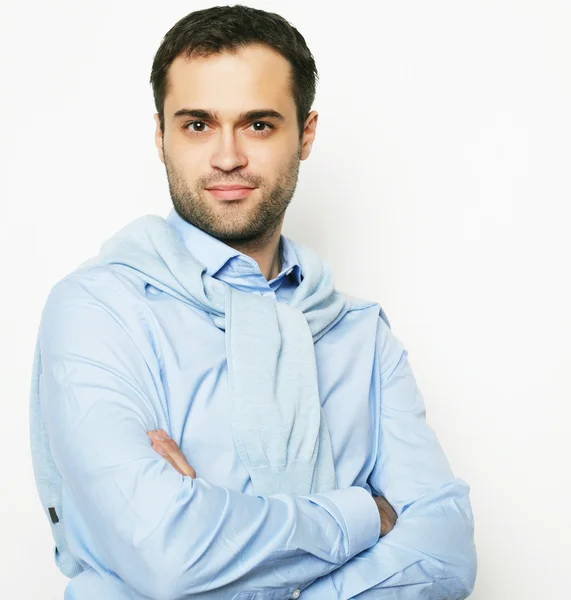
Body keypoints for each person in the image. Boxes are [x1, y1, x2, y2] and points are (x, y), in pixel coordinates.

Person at [31, 5, 477, 599]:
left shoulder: (360, 336)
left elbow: (444, 555)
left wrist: (220, 530)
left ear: (307, 134)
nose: (227, 157)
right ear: (160, 136)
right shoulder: (98, 311)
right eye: (197, 125)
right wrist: (364, 516)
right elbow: (169, 556)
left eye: (259, 125)